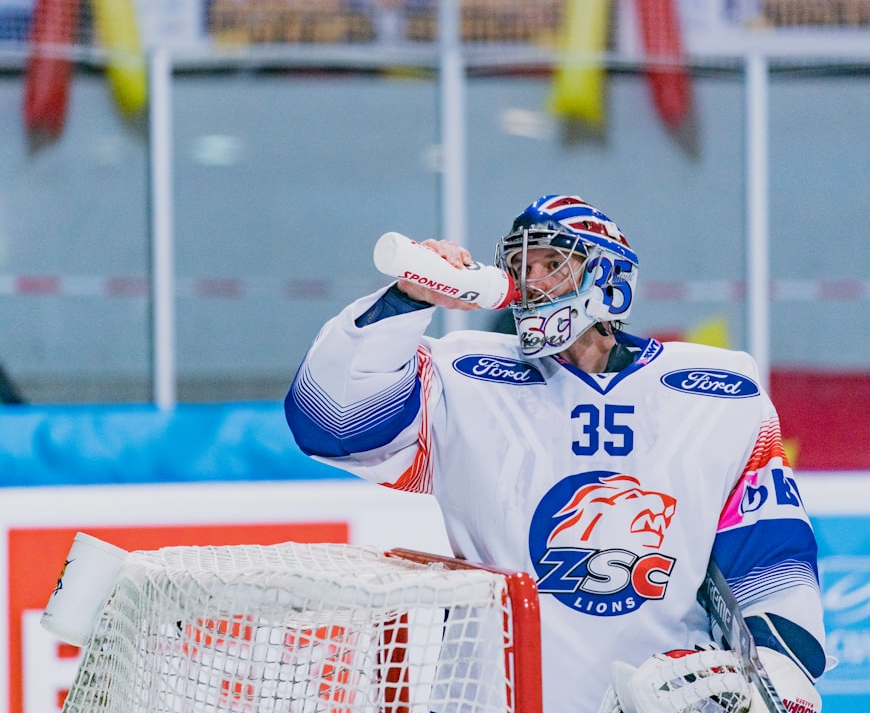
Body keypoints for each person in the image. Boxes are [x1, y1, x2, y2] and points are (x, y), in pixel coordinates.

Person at [285, 194, 829, 712]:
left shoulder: (720, 394)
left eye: (552, 264)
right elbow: (327, 421)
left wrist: (777, 677)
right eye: (521, 267)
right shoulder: (464, 376)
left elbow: (770, 565)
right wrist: (408, 300)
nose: (530, 283)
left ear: (609, 281)